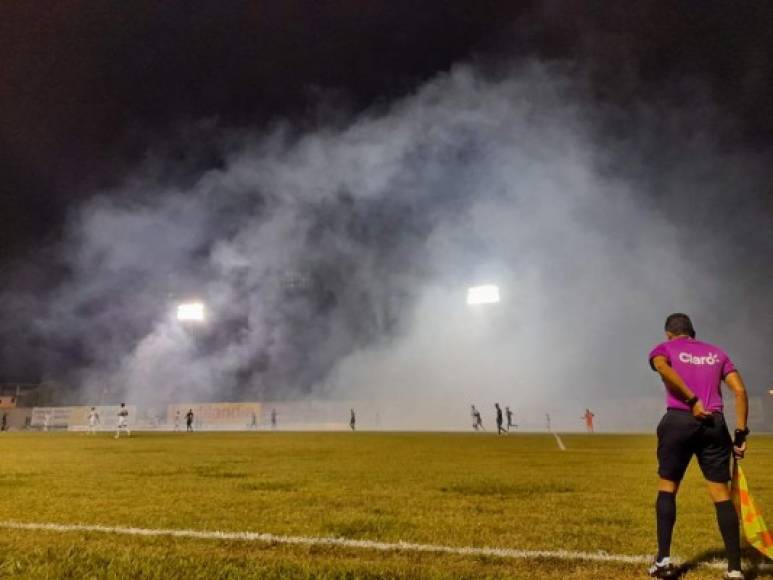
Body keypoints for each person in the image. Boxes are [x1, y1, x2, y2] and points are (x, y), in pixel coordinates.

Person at [647, 313, 748, 580]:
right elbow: (739, 391)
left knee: (668, 487)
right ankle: (735, 569)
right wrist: (740, 433)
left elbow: (662, 367)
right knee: (721, 495)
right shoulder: (717, 353)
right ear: (692, 331)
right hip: (715, 425)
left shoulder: (664, 348)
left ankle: (664, 561)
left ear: (669, 333)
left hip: (680, 418)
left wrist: (692, 400)